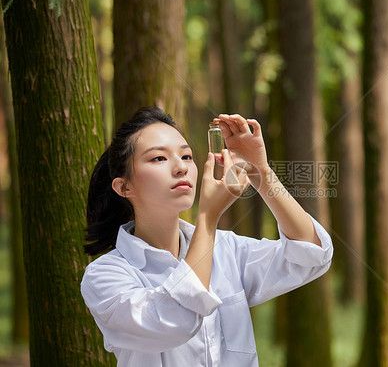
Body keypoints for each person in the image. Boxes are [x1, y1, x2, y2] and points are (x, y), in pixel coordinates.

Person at [80, 107, 333, 366]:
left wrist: (262, 174)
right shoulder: (106, 277)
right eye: (159, 158)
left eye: (187, 156)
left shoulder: (226, 249)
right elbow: (177, 320)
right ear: (124, 186)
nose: (181, 168)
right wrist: (208, 219)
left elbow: (311, 255)